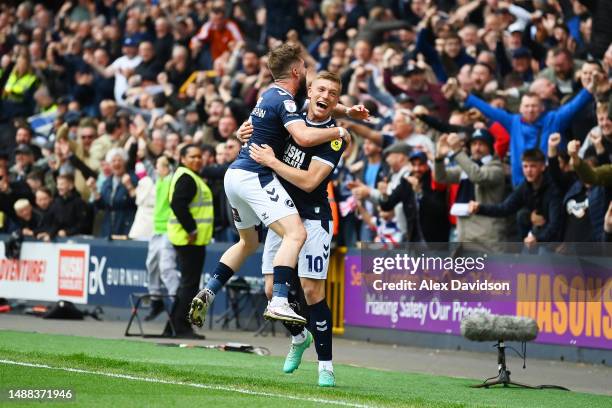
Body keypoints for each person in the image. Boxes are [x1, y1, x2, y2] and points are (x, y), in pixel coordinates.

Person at [188, 43, 351, 327]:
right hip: (255, 174)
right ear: (297, 70)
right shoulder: (286, 101)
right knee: (296, 234)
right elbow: (303, 137)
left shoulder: (267, 95)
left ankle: (210, 289)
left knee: (247, 242)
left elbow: (261, 124)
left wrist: (349, 111)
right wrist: (340, 130)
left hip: (234, 175)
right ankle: (279, 300)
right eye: (305, 68)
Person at [246, 71, 347, 387]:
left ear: (336, 100)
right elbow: (260, 130)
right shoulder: (292, 116)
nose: (326, 96)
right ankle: (299, 337)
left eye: (333, 93)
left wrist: (272, 162)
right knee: (269, 290)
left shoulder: (333, 137)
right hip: (281, 212)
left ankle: (326, 366)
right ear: (310, 91)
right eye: (321, 89)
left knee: (311, 290)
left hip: (313, 216)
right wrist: (245, 133)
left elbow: (309, 181)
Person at [452, 72, 600, 185]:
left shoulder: (553, 119)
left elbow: (573, 107)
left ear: (542, 108)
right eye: (527, 106)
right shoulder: (513, 122)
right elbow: (489, 110)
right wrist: (465, 97)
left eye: (534, 106)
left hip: (548, 184)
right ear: (520, 108)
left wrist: (589, 90)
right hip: (521, 186)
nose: (530, 110)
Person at [468, 149, 564, 250]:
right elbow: (505, 208)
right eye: (525, 166)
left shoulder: (553, 189)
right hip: (537, 237)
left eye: (533, 166)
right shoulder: (524, 187)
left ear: (543, 167)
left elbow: (555, 224)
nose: (528, 170)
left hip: (556, 241)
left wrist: (538, 239)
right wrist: (480, 208)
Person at [166, 144, 214, 338]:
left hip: (187, 238)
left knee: (187, 284)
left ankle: (172, 326)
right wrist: (192, 229)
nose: (197, 160)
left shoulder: (186, 175)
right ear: (183, 158)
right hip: (189, 239)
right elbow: (177, 203)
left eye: (199, 156)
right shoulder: (187, 177)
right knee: (190, 285)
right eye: (192, 156)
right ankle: (181, 327)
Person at [433, 129, 506, 245]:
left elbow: (477, 176)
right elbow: (441, 177)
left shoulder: (496, 168)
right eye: (474, 144)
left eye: (481, 144)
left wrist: (457, 151)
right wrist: (439, 158)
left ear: (491, 148)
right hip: (464, 232)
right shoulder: (466, 167)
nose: (477, 148)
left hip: (487, 236)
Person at [144, 156, 180, 321]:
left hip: (168, 230)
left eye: (158, 167)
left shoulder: (171, 180)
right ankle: (155, 299)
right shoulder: (159, 181)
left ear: (166, 168)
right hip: (156, 230)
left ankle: (178, 304)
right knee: (151, 265)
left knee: (166, 268)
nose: (155, 170)